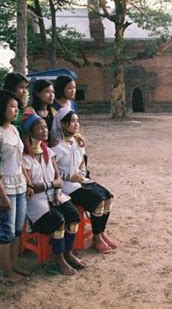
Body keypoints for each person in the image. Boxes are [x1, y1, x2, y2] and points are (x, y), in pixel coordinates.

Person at [21, 111, 85, 275]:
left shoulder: (48, 152)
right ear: (30, 132)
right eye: (40, 128)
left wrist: (56, 192)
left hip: (53, 194)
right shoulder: (24, 157)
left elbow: (57, 176)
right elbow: (32, 187)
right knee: (58, 221)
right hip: (36, 201)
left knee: (73, 216)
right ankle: (59, 259)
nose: (45, 130)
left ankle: (67, 252)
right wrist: (52, 185)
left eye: (45, 127)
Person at [0, 89, 33, 282]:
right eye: (12, 106)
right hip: (3, 188)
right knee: (5, 233)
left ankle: (14, 265)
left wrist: (28, 183)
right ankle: (6, 273)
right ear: (0, 108)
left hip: (20, 186)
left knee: (18, 230)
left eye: (16, 106)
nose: (16, 110)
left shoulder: (13, 129)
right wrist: (1, 195)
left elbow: (19, 161)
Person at [51, 108, 117, 254]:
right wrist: (70, 177)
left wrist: (81, 173)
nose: (76, 124)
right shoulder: (57, 146)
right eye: (72, 121)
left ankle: (101, 232)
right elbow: (52, 171)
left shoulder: (76, 141)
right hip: (67, 186)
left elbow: (82, 162)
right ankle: (97, 237)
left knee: (108, 197)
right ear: (62, 124)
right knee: (98, 200)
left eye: (77, 121)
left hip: (81, 180)